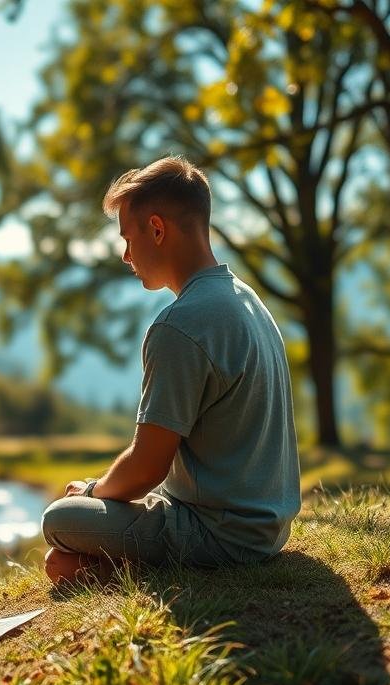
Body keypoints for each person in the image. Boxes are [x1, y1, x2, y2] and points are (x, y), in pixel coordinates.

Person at [42, 156, 301, 586]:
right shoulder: (247, 301)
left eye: (128, 238)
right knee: (64, 560)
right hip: (269, 529)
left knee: (59, 520)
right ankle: (134, 565)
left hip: (221, 535)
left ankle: (151, 567)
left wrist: (91, 492)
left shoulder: (179, 325)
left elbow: (148, 466)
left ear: (157, 230)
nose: (126, 255)